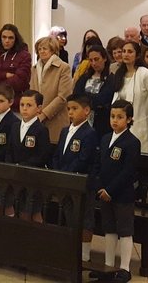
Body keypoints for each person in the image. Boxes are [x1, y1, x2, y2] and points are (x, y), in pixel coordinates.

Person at [91, 99, 140, 283]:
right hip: (104, 193)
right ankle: (108, 266)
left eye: (120, 117)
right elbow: (98, 166)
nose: (115, 120)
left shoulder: (132, 142)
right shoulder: (105, 139)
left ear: (129, 119)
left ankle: (124, 269)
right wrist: (99, 187)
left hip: (122, 194)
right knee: (109, 229)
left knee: (124, 230)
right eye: (112, 116)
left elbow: (128, 171)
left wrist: (110, 190)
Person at [53, 94, 98, 262]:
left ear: (86, 111)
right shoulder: (65, 131)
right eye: (69, 109)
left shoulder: (90, 133)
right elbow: (58, 154)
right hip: (65, 180)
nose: (70, 113)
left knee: (85, 218)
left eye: (74, 109)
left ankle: (85, 254)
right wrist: (58, 171)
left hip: (82, 183)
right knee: (69, 214)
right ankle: (72, 248)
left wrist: (68, 173)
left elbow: (84, 159)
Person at [112, 40, 148, 153]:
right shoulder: (119, 74)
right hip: (123, 125)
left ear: (137, 55)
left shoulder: (145, 73)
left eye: (130, 51)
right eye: (124, 51)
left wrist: (145, 114)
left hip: (142, 124)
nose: (125, 54)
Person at [30, 36, 73, 146]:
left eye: (45, 48)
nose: (42, 51)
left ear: (53, 50)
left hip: (56, 119)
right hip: (37, 117)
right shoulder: (34, 69)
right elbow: (32, 93)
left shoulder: (63, 67)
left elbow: (63, 96)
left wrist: (44, 114)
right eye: (39, 49)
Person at [0, 24, 32, 112]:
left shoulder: (24, 56)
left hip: (15, 107)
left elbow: (20, 81)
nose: (7, 41)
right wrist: (5, 75)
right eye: (4, 37)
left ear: (16, 39)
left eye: (10, 38)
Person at [73, 45, 115, 139]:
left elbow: (102, 99)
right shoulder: (84, 77)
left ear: (104, 58)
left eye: (96, 59)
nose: (94, 63)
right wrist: (91, 97)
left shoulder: (111, 79)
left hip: (101, 123)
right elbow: (76, 95)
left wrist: (85, 96)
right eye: (91, 60)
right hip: (82, 119)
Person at [6, 90, 51, 168]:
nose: (24, 108)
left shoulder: (42, 130)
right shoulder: (15, 126)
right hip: (12, 171)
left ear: (39, 108)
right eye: (22, 105)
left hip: (31, 173)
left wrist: (21, 166)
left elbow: (41, 156)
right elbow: (9, 150)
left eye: (29, 105)